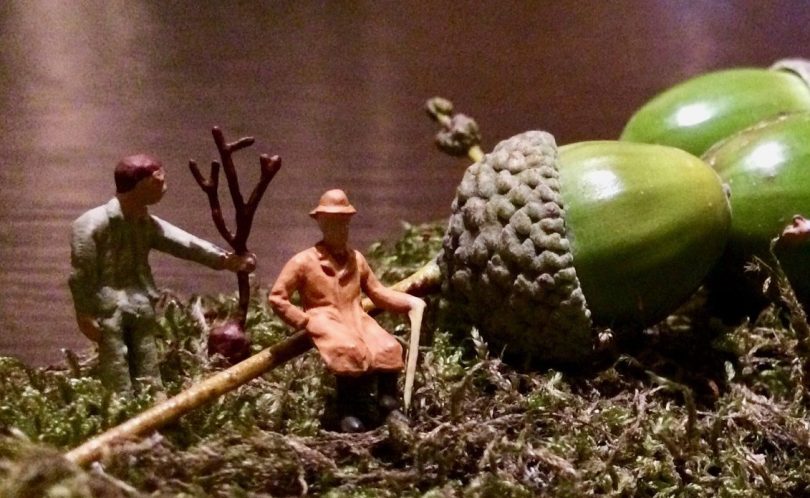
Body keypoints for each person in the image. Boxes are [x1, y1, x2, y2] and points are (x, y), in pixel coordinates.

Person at [69, 154, 255, 394]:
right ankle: (121, 409)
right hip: (108, 305)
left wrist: (227, 260)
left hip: (140, 300)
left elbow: (184, 243)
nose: (164, 187)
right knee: (115, 361)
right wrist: (84, 314)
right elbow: (80, 274)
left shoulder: (146, 223)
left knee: (146, 355)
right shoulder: (91, 224)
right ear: (139, 184)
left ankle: (153, 401)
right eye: (158, 181)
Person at [269, 189, 425, 432]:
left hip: (356, 316)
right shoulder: (303, 262)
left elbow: (378, 293)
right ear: (321, 223)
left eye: (344, 223)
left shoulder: (356, 259)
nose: (340, 229)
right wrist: (304, 320)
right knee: (349, 350)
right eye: (333, 223)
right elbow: (277, 297)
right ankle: (348, 412)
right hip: (324, 318)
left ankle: (387, 403)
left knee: (388, 346)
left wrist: (409, 303)